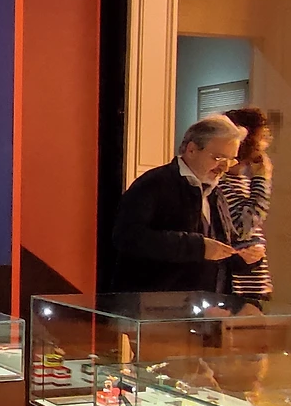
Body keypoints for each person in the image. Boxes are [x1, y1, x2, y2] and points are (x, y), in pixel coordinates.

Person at [111, 114, 264, 294]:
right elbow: (128, 237)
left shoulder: (216, 192)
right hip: (157, 303)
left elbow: (219, 248)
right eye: (218, 158)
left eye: (230, 160)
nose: (224, 167)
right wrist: (198, 247)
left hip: (205, 304)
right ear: (191, 150)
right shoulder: (154, 183)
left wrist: (243, 257)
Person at [220, 107, 273, 307]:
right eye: (262, 138)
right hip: (238, 288)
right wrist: (262, 179)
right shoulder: (221, 183)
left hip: (255, 284)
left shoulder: (241, 180)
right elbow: (243, 226)